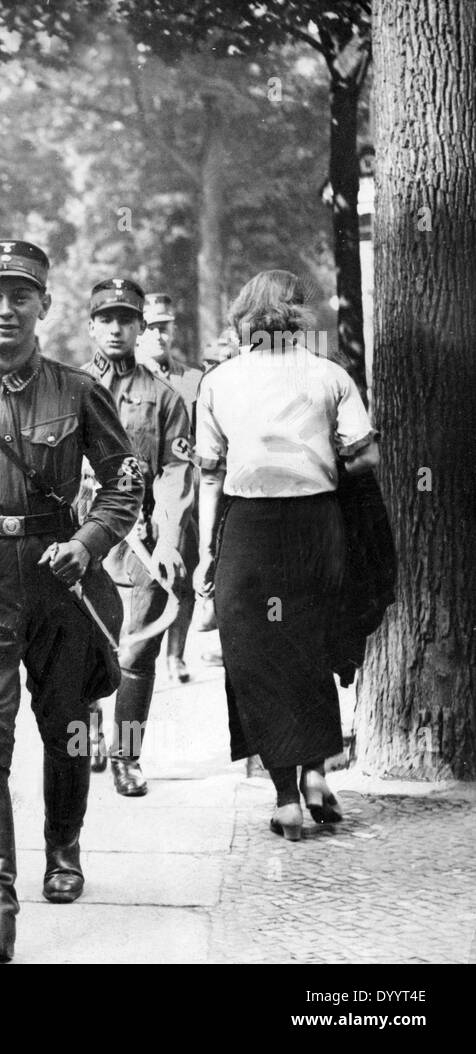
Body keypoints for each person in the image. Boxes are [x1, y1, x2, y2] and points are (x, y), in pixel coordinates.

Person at [0, 240, 142, 962]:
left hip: (58, 580)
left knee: (67, 725)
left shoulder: (78, 391)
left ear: (44, 305)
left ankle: (65, 845)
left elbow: (124, 479)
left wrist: (88, 542)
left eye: (22, 296)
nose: (6, 309)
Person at [194, 270, 378, 841]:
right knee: (311, 647)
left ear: (245, 316)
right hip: (317, 525)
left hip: (249, 528)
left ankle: (283, 799)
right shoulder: (330, 375)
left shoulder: (220, 381)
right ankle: (318, 773)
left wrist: (205, 553)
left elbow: (209, 473)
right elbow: (364, 458)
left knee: (254, 656)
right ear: (300, 316)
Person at [82, 278, 194, 797]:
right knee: (85, 646)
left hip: (143, 539)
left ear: (139, 328)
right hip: (82, 537)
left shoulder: (164, 397)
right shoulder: (68, 386)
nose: (116, 329)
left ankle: (127, 755)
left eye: (126, 320)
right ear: (91, 326)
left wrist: (170, 539)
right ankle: (90, 737)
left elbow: (175, 472)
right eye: (106, 319)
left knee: (138, 652)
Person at [139, 293, 205, 684]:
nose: (158, 336)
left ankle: (175, 656)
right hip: (135, 490)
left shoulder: (193, 380)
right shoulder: (124, 378)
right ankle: (136, 653)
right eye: (149, 327)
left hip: (181, 489)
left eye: (164, 327)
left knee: (183, 569)